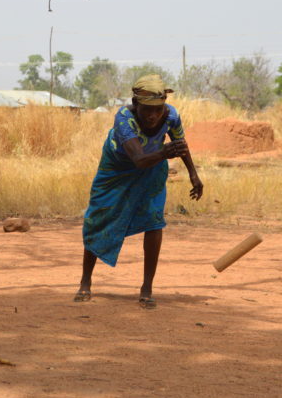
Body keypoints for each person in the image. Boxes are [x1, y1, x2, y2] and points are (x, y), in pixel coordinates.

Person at [74, 74, 203, 309]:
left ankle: (146, 288)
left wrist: (194, 175)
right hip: (117, 168)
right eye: (147, 110)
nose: (153, 116)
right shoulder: (124, 119)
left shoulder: (171, 115)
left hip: (152, 170)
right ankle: (85, 281)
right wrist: (165, 153)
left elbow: (181, 145)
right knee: (98, 218)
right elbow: (139, 159)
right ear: (136, 105)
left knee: (154, 221)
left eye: (158, 109)